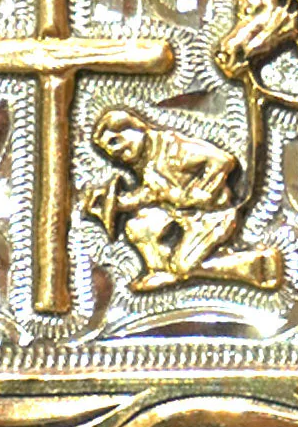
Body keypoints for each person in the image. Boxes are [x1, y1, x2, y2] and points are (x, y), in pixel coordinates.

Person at [84, 108, 282, 292]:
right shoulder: (145, 160)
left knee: (183, 265)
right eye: (109, 150)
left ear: (136, 128)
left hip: (210, 216)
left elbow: (222, 160)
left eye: (115, 141)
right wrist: (122, 203)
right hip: (179, 213)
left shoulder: (174, 149)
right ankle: (160, 270)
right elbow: (154, 192)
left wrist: (205, 192)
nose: (114, 152)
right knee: (138, 226)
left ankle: (254, 265)